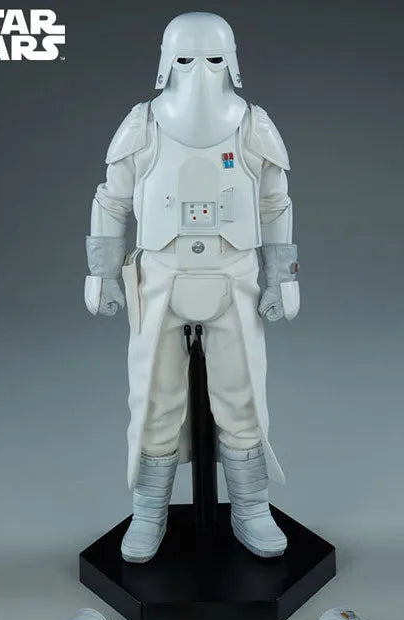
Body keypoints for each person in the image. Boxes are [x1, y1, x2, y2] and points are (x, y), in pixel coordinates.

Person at [85, 12, 300, 563]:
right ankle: (148, 510)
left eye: (211, 58)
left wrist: (281, 276)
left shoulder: (251, 126)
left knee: (242, 396)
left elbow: (275, 203)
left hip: (234, 274)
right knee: (154, 399)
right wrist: (101, 271)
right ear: (166, 63)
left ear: (232, 62)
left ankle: (250, 506)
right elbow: (111, 199)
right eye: (186, 58)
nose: (199, 71)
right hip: (160, 275)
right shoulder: (144, 125)